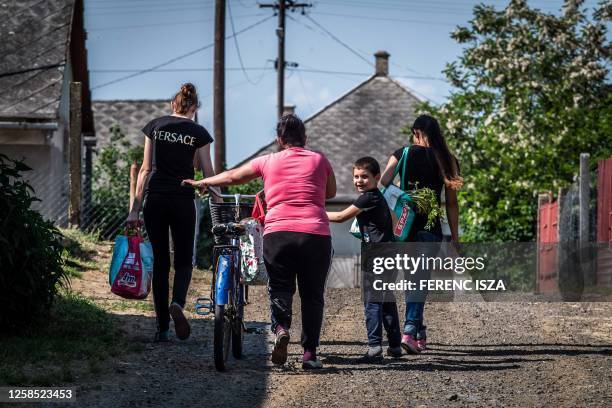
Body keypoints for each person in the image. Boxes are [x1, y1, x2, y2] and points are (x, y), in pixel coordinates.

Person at [183, 114, 336, 369]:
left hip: (279, 233)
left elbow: (232, 177)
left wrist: (203, 181)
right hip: (315, 234)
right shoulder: (320, 159)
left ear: (279, 140)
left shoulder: (268, 161)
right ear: (305, 139)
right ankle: (309, 354)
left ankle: (280, 329)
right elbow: (330, 193)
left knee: (280, 287)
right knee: (312, 295)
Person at [127, 83, 216, 342]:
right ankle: (177, 302)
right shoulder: (199, 132)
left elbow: (145, 169)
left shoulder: (155, 126)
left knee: (161, 262)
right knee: (184, 259)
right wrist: (217, 197)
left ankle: (162, 328)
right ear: (194, 108)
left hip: (155, 198)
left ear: (172, 105)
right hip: (182, 198)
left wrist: (134, 210)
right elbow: (207, 172)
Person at [380, 114, 462, 354]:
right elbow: (452, 203)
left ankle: (418, 332)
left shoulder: (402, 154)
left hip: (405, 227)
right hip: (430, 228)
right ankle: (410, 331)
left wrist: (404, 197)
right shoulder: (448, 160)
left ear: (416, 132)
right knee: (419, 279)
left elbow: (384, 181)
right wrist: (455, 237)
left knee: (413, 279)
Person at [327, 157, 402, 363]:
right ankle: (395, 346)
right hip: (389, 253)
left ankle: (374, 347)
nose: (359, 181)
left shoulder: (368, 198)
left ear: (377, 177)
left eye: (364, 177)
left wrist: (312, 213)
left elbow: (342, 216)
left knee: (372, 301)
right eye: (356, 177)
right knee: (387, 299)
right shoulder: (378, 197)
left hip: (377, 256)